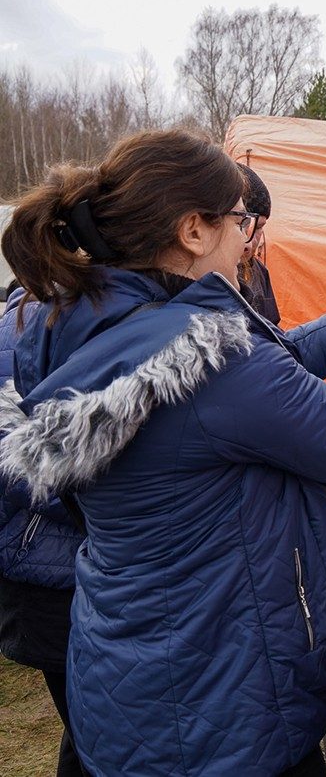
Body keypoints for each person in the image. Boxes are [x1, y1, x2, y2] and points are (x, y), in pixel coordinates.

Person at [0, 129, 326, 775]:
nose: (248, 236)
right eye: (240, 220)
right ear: (194, 229)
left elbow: (246, 383)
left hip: (130, 680)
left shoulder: (89, 323)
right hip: (220, 703)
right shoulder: (210, 357)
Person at [0, 288, 88, 777]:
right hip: (45, 579)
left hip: (93, 570)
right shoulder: (15, 335)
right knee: (93, 735)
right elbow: (13, 467)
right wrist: (120, 502)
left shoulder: (105, 320)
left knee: (100, 732)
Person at [237, 163, 280, 324]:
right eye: (243, 225)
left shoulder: (258, 271)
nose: (254, 242)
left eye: (260, 227)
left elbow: (273, 332)